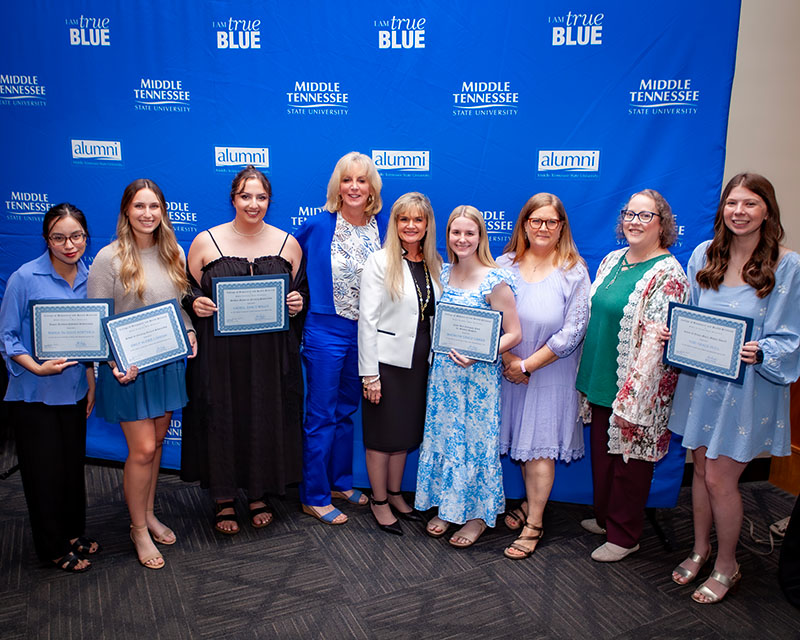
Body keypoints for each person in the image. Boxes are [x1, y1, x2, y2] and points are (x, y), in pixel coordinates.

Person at [667, 173, 800, 603]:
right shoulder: (706, 255)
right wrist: (674, 333)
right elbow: (688, 313)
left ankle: (728, 564)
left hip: (747, 389)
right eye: (732, 203)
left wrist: (761, 351)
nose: (739, 212)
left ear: (767, 211)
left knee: (722, 479)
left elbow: (791, 336)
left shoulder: (787, 264)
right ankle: (700, 548)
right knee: (702, 472)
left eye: (750, 204)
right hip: (701, 384)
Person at [181, 166, 307, 534]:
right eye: (246, 196)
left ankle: (258, 493)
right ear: (233, 199)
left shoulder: (289, 244)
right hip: (220, 358)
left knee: (264, 416)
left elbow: (302, 296)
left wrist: (298, 302)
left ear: (270, 200)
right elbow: (186, 291)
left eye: (261, 197)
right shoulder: (206, 242)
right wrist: (195, 304)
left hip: (270, 357)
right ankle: (223, 498)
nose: (254, 204)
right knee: (222, 417)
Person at [88, 179, 196, 570]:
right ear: (126, 212)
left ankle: (148, 513)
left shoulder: (174, 252)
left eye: (154, 206)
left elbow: (179, 306)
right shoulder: (108, 258)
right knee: (144, 449)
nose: (147, 214)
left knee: (159, 442)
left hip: (166, 364)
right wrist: (110, 363)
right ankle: (137, 529)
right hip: (126, 369)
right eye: (139, 207)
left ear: (163, 211)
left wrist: (189, 332)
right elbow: (96, 319)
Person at [575, 189, 688, 562]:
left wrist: (635, 396)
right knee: (605, 459)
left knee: (630, 463)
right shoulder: (612, 260)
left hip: (638, 386)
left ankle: (625, 535)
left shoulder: (669, 275)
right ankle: (608, 519)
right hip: (602, 376)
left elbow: (657, 344)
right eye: (630, 214)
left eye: (645, 216)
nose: (635, 222)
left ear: (663, 224)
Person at [0, 203, 99, 573]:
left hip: (73, 391)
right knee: (43, 474)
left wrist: (90, 379)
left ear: (86, 237)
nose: (69, 245)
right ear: (46, 240)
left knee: (71, 469)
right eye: (59, 238)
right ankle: (52, 547)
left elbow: (90, 340)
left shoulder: (92, 278)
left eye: (76, 236)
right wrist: (36, 368)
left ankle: (73, 533)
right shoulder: (24, 278)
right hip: (34, 394)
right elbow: (6, 336)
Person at [415, 205, 521, 548]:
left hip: (478, 380)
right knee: (446, 440)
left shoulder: (495, 280)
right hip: (444, 377)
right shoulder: (441, 274)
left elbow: (514, 334)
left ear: (481, 237)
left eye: (469, 233)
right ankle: (448, 508)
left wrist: (483, 353)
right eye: (455, 232)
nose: (462, 239)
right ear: (446, 236)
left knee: (475, 444)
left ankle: (476, 517)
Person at [295, 152, 387, 525]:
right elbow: (287, 264)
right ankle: (313, 495)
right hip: (325, 328)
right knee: (320, 414)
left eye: (361, 180)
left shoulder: (382, 227)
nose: (354, 187)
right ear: (338, 185)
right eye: (347, 180)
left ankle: (339, 482)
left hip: (365, 331)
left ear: (371, 188)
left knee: (347, 410)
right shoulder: (317, 225)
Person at [498, 193, 590, 559]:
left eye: (551, 221)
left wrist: (527, 365)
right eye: (536, 220)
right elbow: (489, 315)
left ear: (562, 227)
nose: (543, 228)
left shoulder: (574, 270)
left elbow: (573, 331)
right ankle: (528, 505)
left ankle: (534, 522)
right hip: (508, 368)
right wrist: (508, 359)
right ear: (524, 224)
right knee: (524, 445)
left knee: (539, 451)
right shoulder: (504, 265)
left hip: (550, 373)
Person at [358, 192, 443, 535]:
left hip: (420, 365)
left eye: (418, 220)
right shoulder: (379, 261)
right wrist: (370, 375)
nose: (411, 226)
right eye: (403, 219)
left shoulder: (433, 262)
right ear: (394, 224)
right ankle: (379, 501)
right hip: (386, 365)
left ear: (427, 226)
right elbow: (367, 320)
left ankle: (394, 493)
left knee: (403, 434)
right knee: (381, 436)